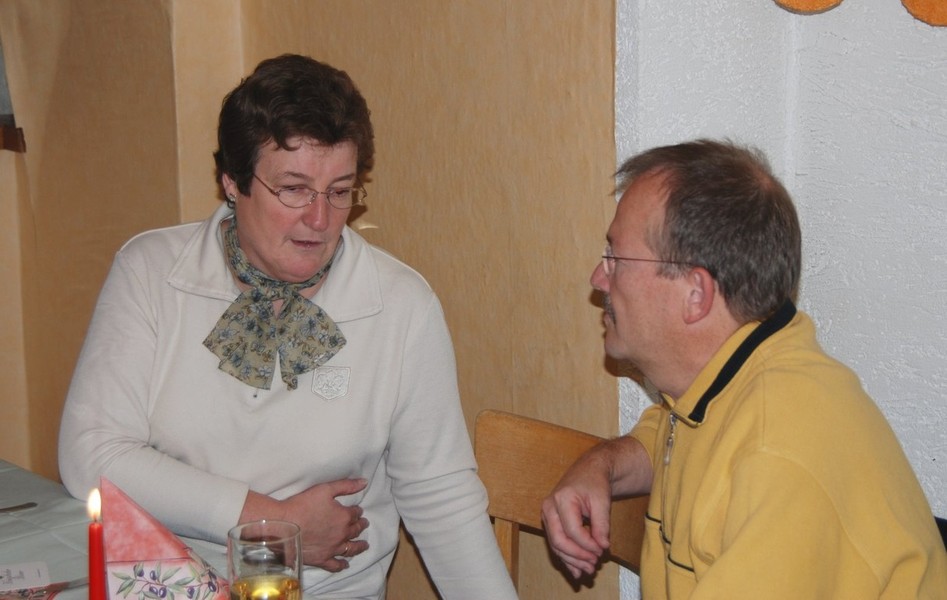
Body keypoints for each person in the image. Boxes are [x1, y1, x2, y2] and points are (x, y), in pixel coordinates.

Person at [59, 54, 517, 599]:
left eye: (340, 191)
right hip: (165, 586)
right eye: (294, 189)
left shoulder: (400, 305)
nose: (320, 220)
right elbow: (92, 453)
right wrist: (272, 524)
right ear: (233, 181)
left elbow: (439, 494)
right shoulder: (152, 272)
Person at [541, 139, 947, 598]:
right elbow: (675, 436)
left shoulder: (780, 451)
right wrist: (601, 467)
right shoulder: (737, 371)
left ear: (696, 294)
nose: (598, 278)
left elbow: (751, 454)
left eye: (616, 258)